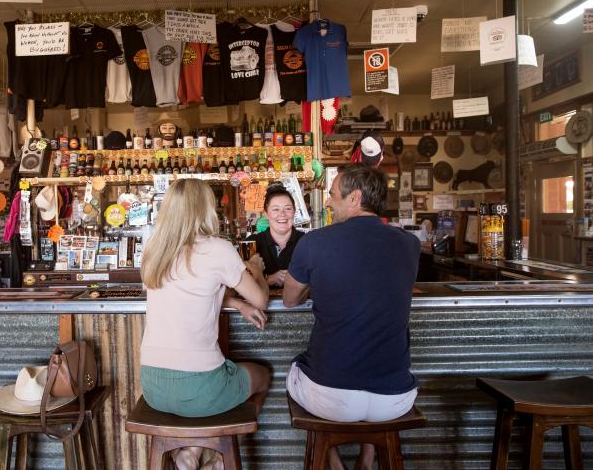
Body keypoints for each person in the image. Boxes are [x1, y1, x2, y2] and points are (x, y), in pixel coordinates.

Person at [283, 163, 420, 470]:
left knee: (292, 371)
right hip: (395, 400)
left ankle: (333, 463)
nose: (328, 202)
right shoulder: (410, 244)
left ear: (355, 198)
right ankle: (367, 458)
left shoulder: (314, 242)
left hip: (331, 399)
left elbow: (290, 300)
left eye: (332, 195)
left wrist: (313, 282)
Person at [140, 178, 271, 470]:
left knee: (203, 392)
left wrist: (235, 303)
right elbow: (261, 299)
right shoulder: (217, 248)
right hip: (201, 391)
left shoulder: (154, 251)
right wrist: (258, 270)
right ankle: (220, 463)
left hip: (153, 388)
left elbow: (191, 295)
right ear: (206, 209)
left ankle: (191, 454)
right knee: (263, 376)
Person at [246, 184, 304, 287]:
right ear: (266, 214)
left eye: (288, 208)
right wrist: (268, 279)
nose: (282, 214)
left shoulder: (307, 242)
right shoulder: (251, 243)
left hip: (302, 303)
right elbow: (240, 283)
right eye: (276, 209)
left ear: (294, 212)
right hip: (260, 303)